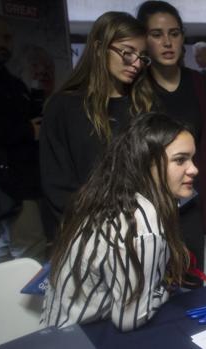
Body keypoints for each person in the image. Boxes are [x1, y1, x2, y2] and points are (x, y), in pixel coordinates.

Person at [42, 112, 196, 331]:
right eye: (180, 160)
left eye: (192, 158)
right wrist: (162, 289)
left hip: (57, 326)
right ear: (146, 163)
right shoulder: (142, 223)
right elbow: (130, 319)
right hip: (81, 337)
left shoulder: (116, 195)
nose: (194, 169)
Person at [137, 0, 206, 278]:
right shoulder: (137, 86)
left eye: (174, 33)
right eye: (157, 34)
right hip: (148, 197)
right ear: (145, 40)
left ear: (182, 38)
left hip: (191, 193)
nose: (167, 42)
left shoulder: (198, 83)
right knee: (150, 274)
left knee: (189, 273)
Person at [39, 12, 152, 235]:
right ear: (100, 48)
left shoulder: (145, 104)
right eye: (128, 53)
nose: (136, 64)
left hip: (143, 229)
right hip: (88, 233)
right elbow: (57, 186)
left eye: (142, 56)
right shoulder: (63, 107)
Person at [0, 12, 46, 264]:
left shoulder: (10, 81)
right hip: (2, 180)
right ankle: (33, 304)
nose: (2, 43)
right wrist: (27, 130)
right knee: (30, 251)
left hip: (22, 177)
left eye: (6, 37)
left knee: (10, 245)